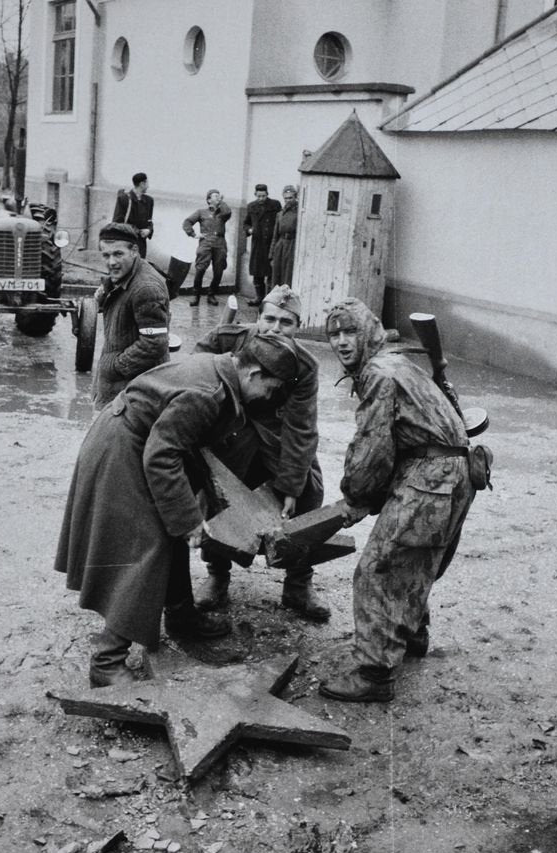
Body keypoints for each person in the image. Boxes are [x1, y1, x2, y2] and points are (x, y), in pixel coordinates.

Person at [55, 333, 300, 687]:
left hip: (135, 441)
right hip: (123, 449)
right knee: (144, 546)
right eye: (270, 389)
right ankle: (107, 661)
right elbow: (162, 455)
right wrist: (190, 521)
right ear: (253, 374)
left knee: (166, 535)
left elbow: (185, 448)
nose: (268, 398)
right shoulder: (207, 394)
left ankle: (182, 616)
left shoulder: (217, 370)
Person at [318, 298, 476, 703]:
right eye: (333, 334)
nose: (341, 341)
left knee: (379, 569)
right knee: (417, 559)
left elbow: (372, 447)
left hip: (431, 475)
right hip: (453, 472)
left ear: (368, 331)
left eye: (349, 331)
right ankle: (412, 636)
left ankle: (374, 673)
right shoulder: (397, 362)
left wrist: (355, 497)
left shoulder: (378, 373)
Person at [192, 285, 329, 622]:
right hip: (230, 439)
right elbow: (196, 377)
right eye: (270, 318)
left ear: (297, 326)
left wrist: (290, 485)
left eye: (286, 322)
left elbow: (301, 428)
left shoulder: (305, 366)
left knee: (309, 498)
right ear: (258, 317)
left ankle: (298, 584)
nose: (275, 328)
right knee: (216, 499)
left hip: (278, 443)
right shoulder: (225, 340)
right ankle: (217, 575)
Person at [92, 222, 171, 412]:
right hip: (119, 389)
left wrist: (115, 366)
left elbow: (154, 343)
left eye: (118, 254)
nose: (111, 262)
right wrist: (106, 290)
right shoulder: (122, 277)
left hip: (136, 394)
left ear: (134, 251)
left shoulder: (146, 288)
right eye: (106, 255)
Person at [183, 189, 232, 306]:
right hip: (205, 242)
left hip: (220, 243)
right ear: (209, 200)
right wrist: (194, 234)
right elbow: (187, 222)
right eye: (215, 196)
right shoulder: (201, 212)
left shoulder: (223, 212)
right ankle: (196, 296)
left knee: (219, 270)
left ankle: (211, 294)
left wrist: (221, 202)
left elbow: (228, 212)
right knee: (200, 269)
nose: (218, 197)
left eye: (219, 196)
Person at [243, 183, 281, 306]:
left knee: (271, 273)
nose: (261, 199)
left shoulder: (275, 205)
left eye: (263, 196)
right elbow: (246, 223)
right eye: (259, 196)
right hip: (258, 245)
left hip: (271, 244)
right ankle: (259, 297)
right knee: (257, 273)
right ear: (255, 194)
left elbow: (280, 221)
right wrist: (249, 230)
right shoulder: (251, 206)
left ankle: (269, 299)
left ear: (267, 194)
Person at [111, 172, 154, 258]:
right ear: (142, 184)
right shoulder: (124, 199)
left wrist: (149, 230)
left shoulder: (149, 201)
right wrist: (137, 231)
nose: (148, 186)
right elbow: (116, 222)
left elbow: (150, 221)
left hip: (140, 244)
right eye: (147, 183)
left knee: (139, 267)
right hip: (126, 241)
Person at [268, 184, 299, 289]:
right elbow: (275, 235)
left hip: (292, 245)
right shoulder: (280, 214)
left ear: (295, 197)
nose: (288, 200)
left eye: (290, 198)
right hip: (280, 245)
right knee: (277, 275)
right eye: (286, 198)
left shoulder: (299, 214)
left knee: (288, 276)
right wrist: (271, 255)